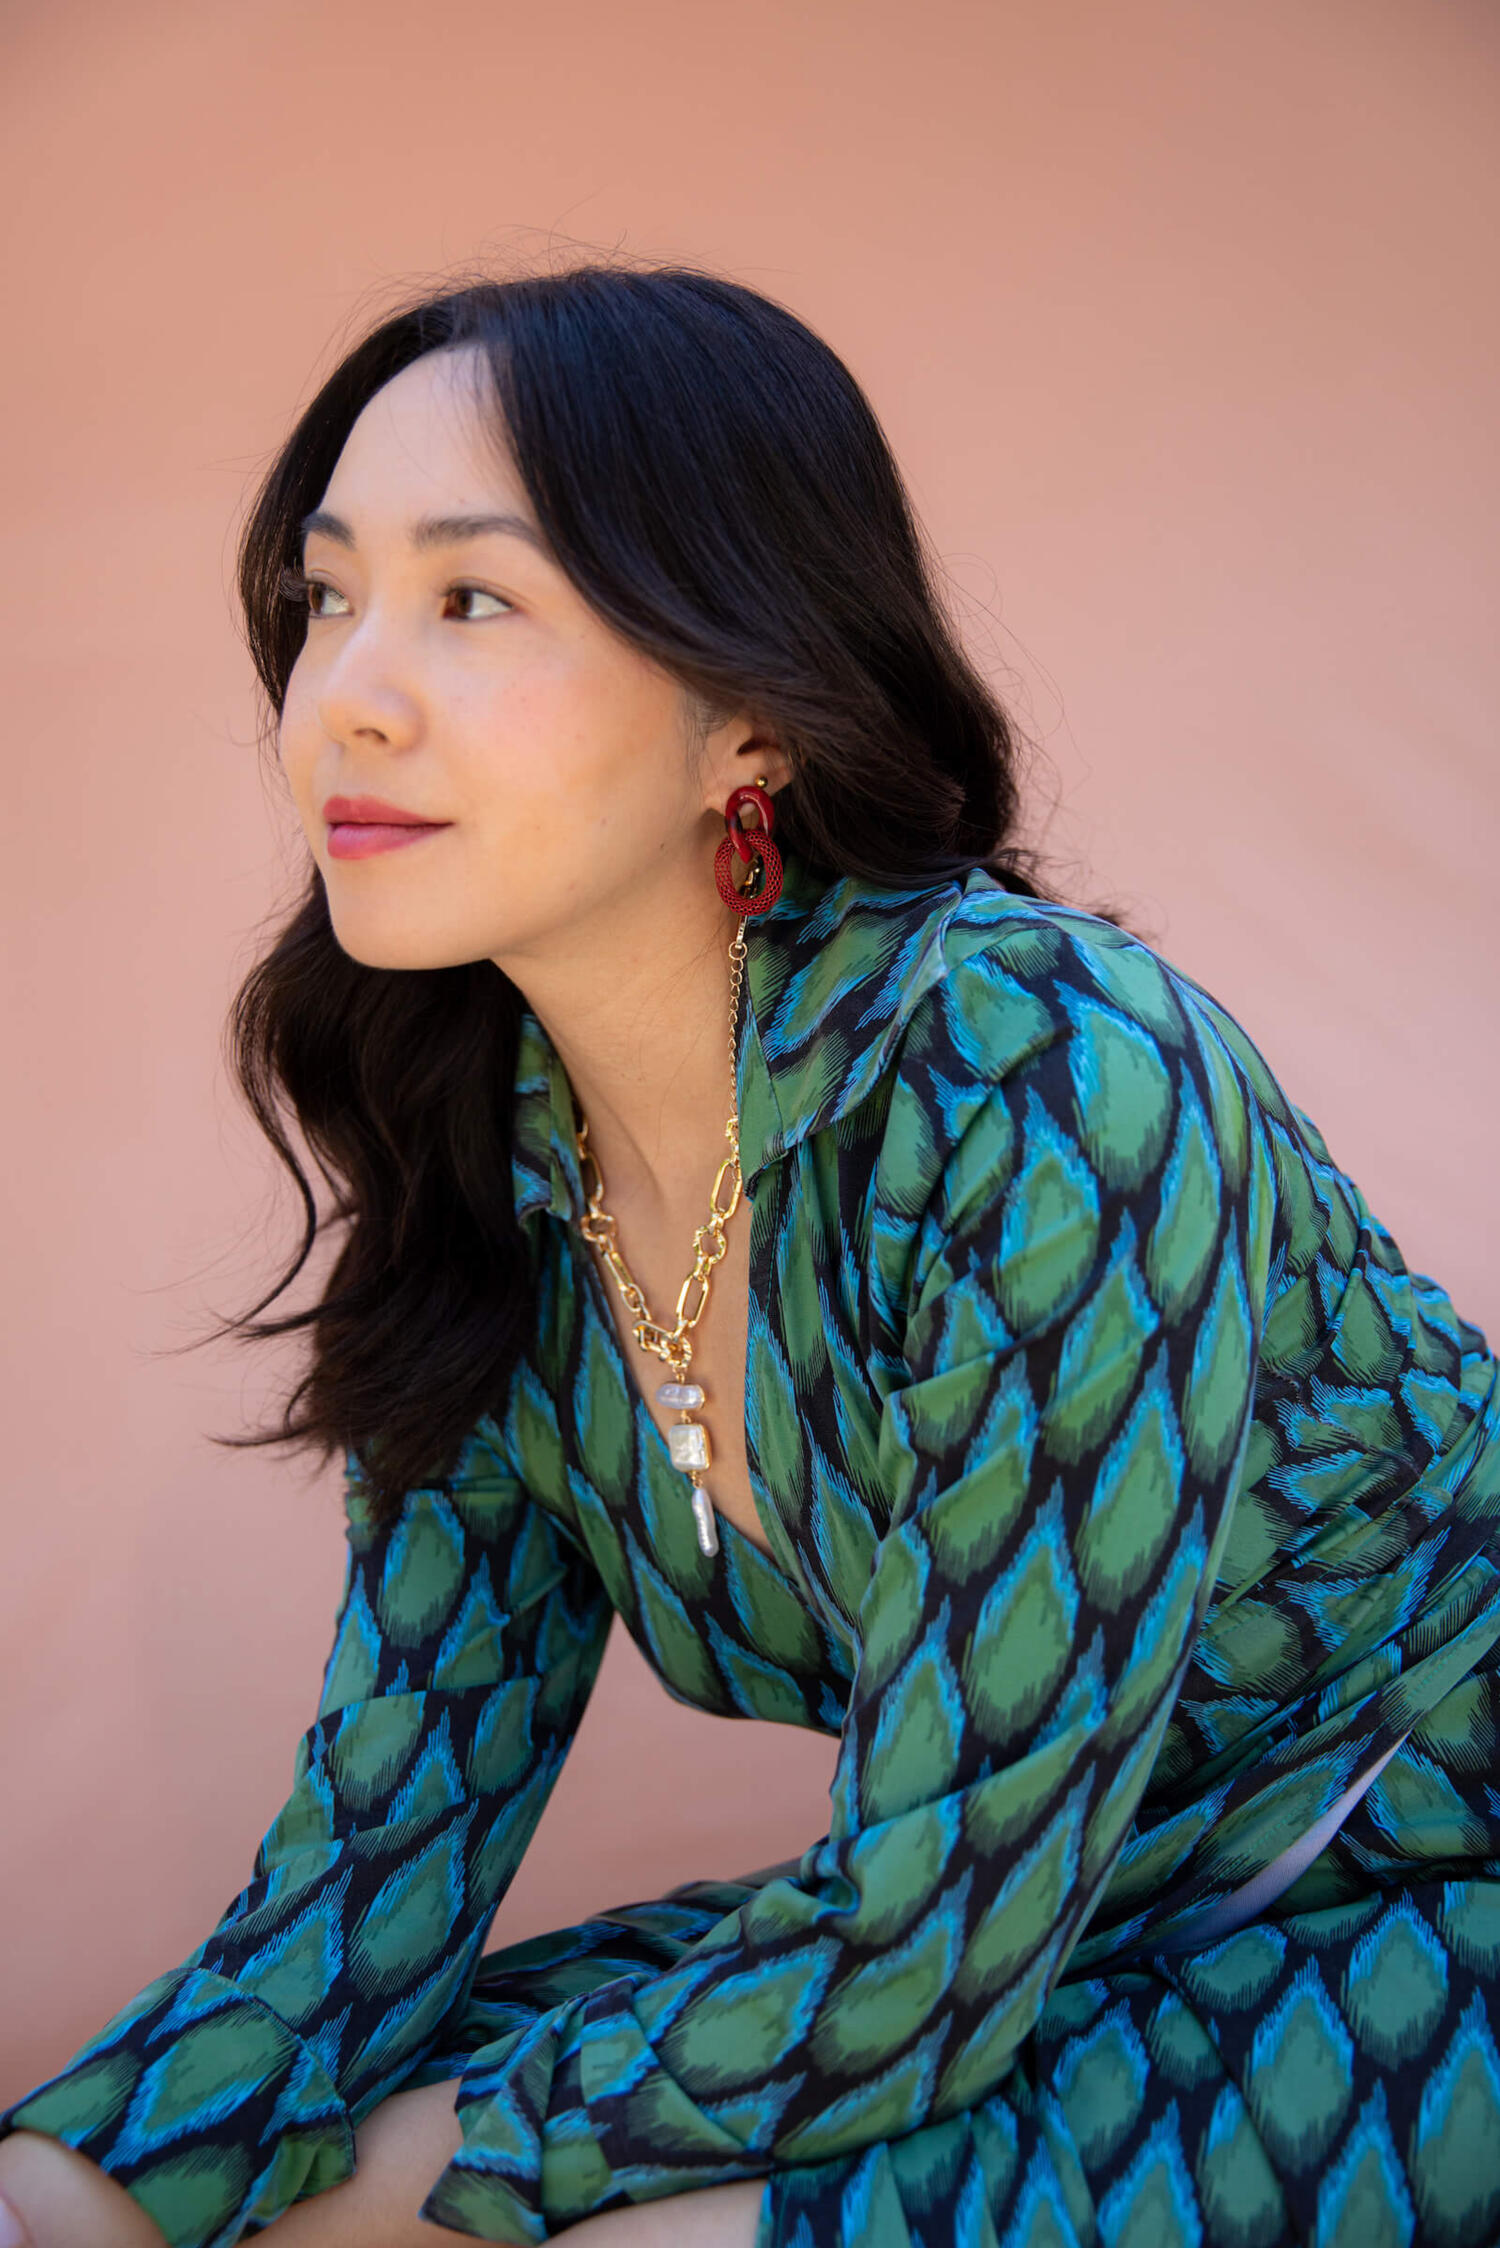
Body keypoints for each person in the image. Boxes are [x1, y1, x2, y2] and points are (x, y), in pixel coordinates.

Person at [1, 261, 1497, 2248]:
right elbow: (368, 1882)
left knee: (598, 2215)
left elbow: (924, 1945)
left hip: (1429, 1879)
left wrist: (398, 2189)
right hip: (1073, 1916)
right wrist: (77, 2182)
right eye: (326, 592)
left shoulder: (1042, 1078)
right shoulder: (495, 1154)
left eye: (471, 597)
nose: (344, 687)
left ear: (755, 710)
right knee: (284, 2140)